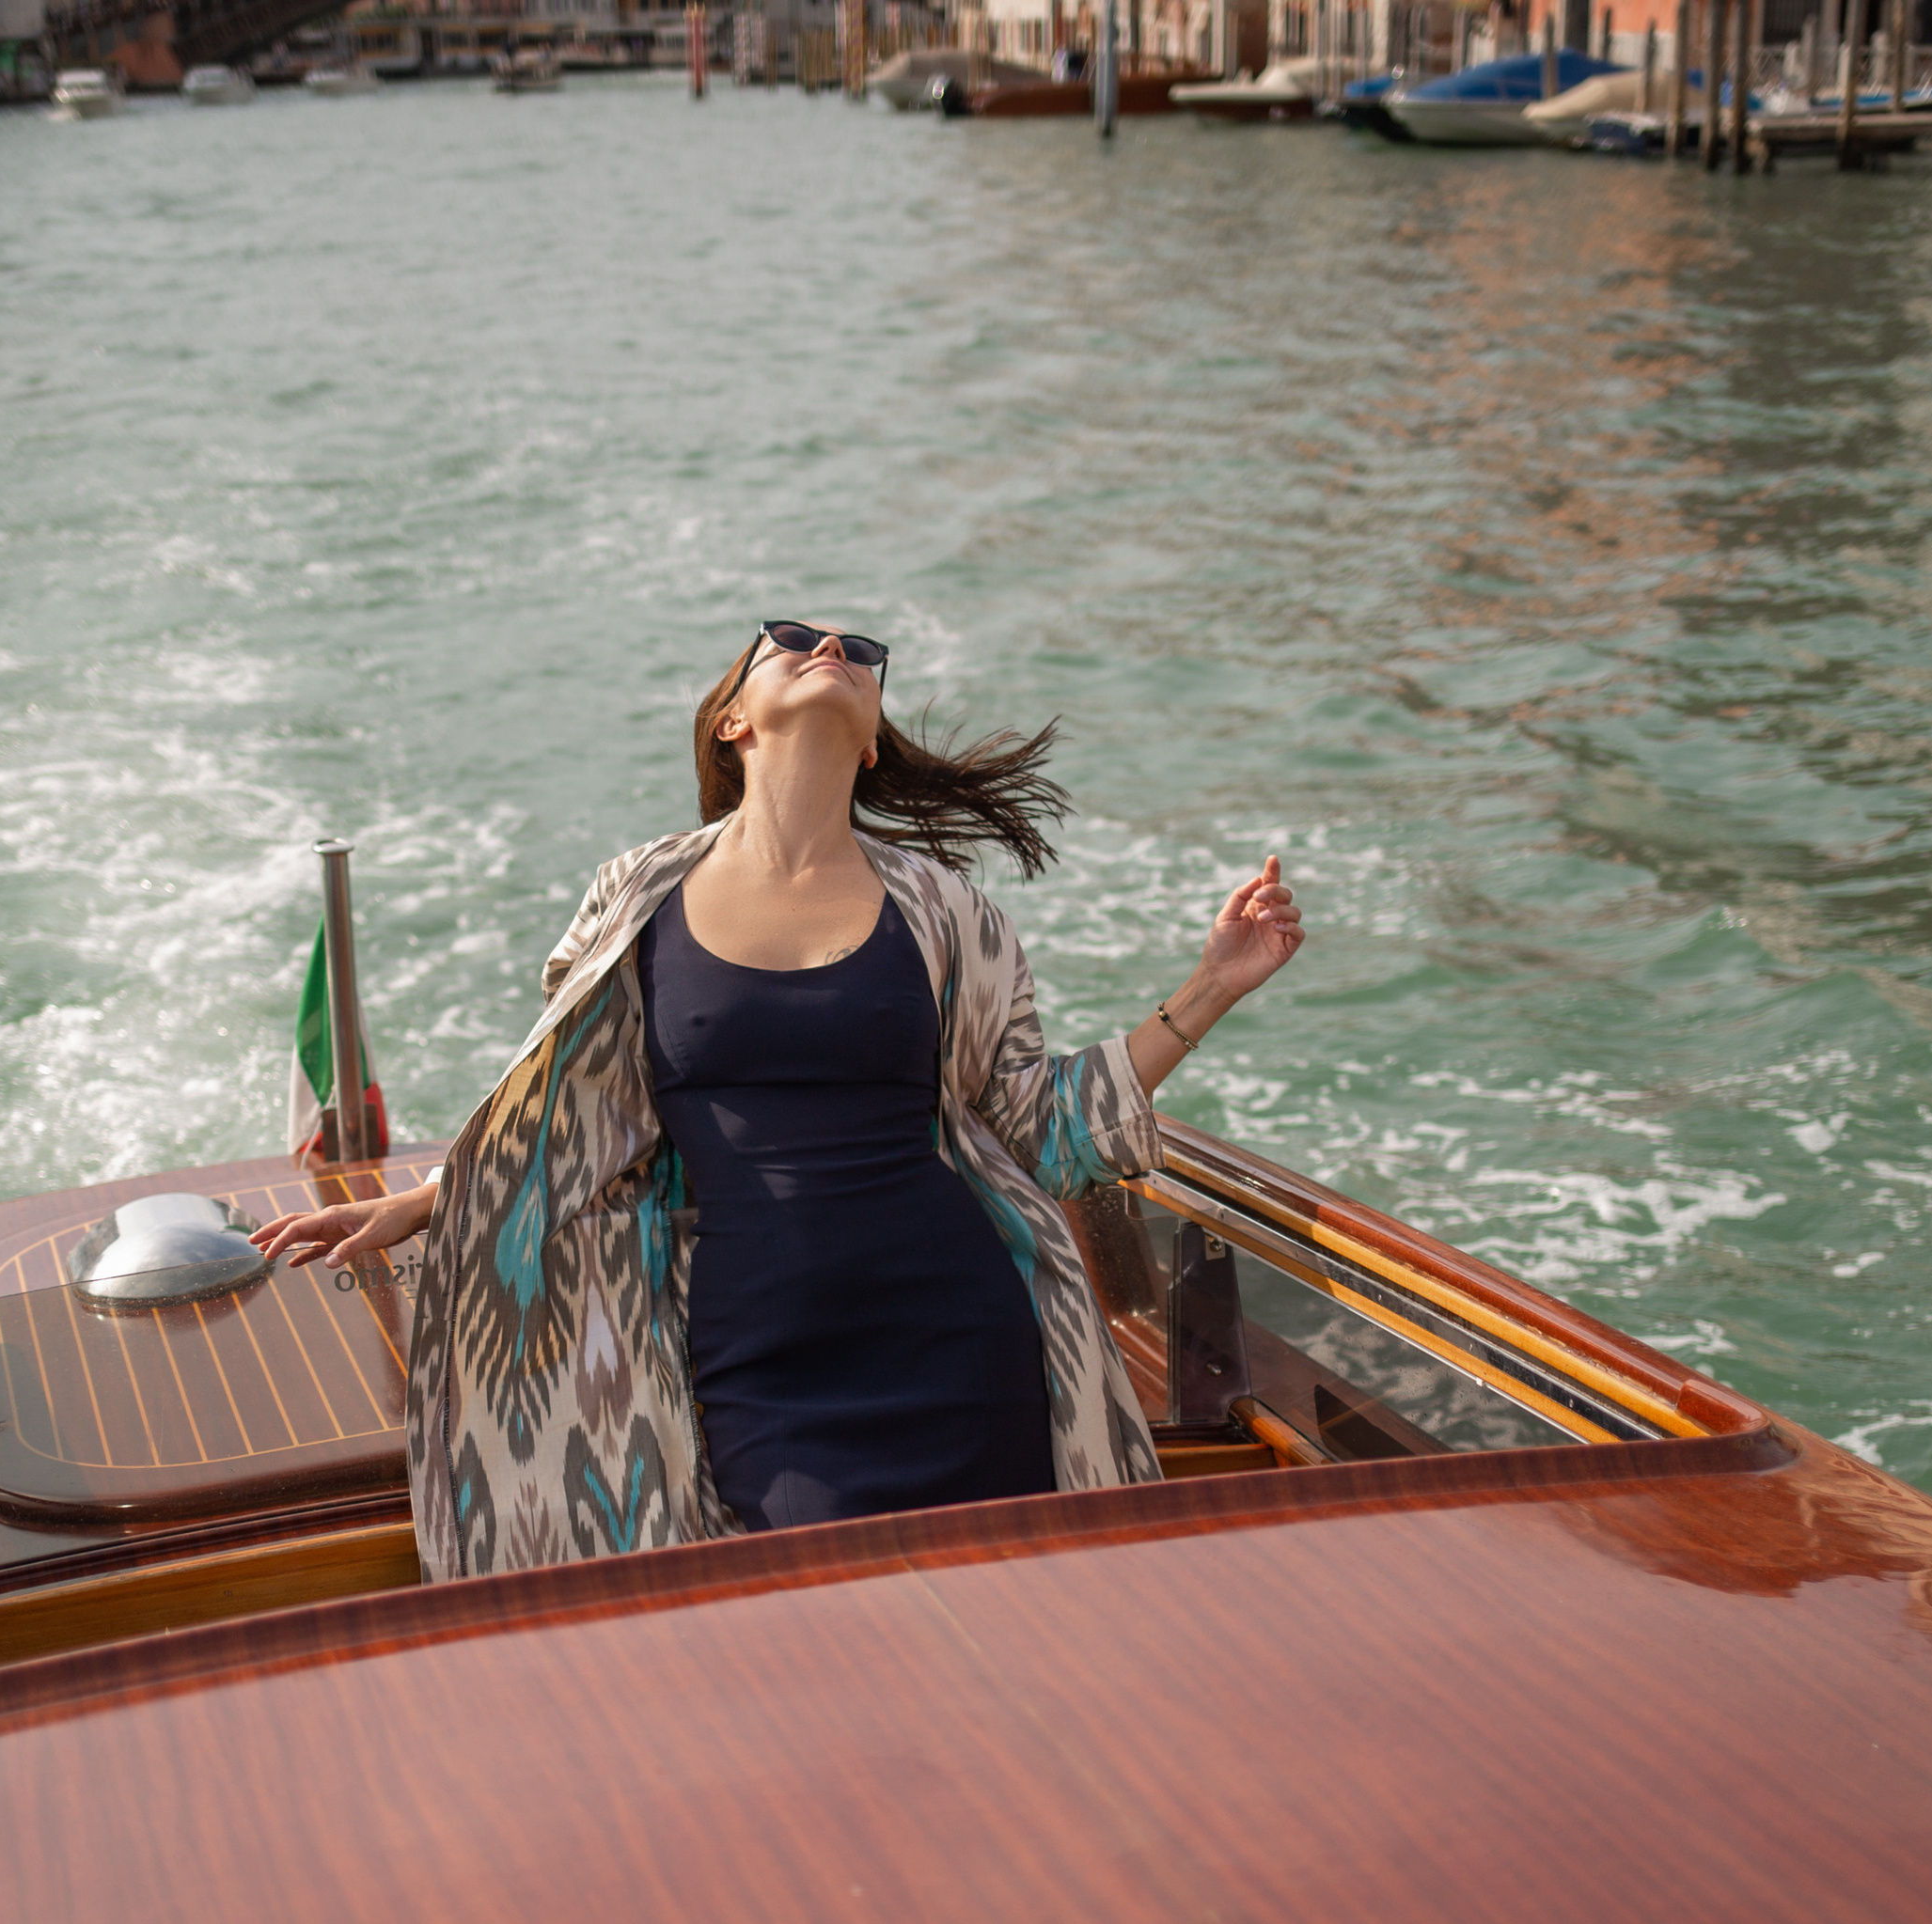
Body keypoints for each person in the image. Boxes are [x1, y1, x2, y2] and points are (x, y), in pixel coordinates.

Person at [253, 620, 1304, 1576]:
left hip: (959, 1334)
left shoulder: (946, 913)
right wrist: (436, 1195)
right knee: (812, 1629)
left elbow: (1032, 1129)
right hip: (761, 1351)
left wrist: (1212, 984)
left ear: (872, 743)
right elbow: (574, 1111)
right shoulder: (637, 896)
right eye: (794, 638)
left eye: (859, 649)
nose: (832, 648)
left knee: (1002, 1623)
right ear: (732, 719)